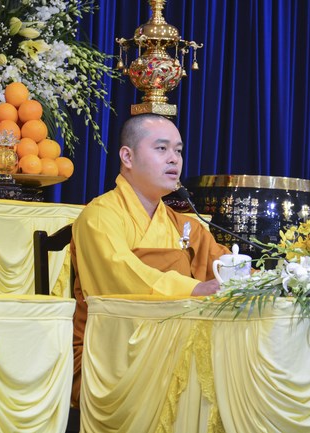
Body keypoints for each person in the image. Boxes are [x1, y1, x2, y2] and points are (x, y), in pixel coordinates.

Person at [69, 113, 230, 407]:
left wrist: (266, 281)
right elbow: (121, 275)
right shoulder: (99, 217)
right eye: (162, 148)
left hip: (174, 345)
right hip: (109, 354)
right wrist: (194, 289)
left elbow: (225, 265)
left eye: (178, 150)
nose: (174, 159)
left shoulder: (184, 225)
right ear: (127, 157)